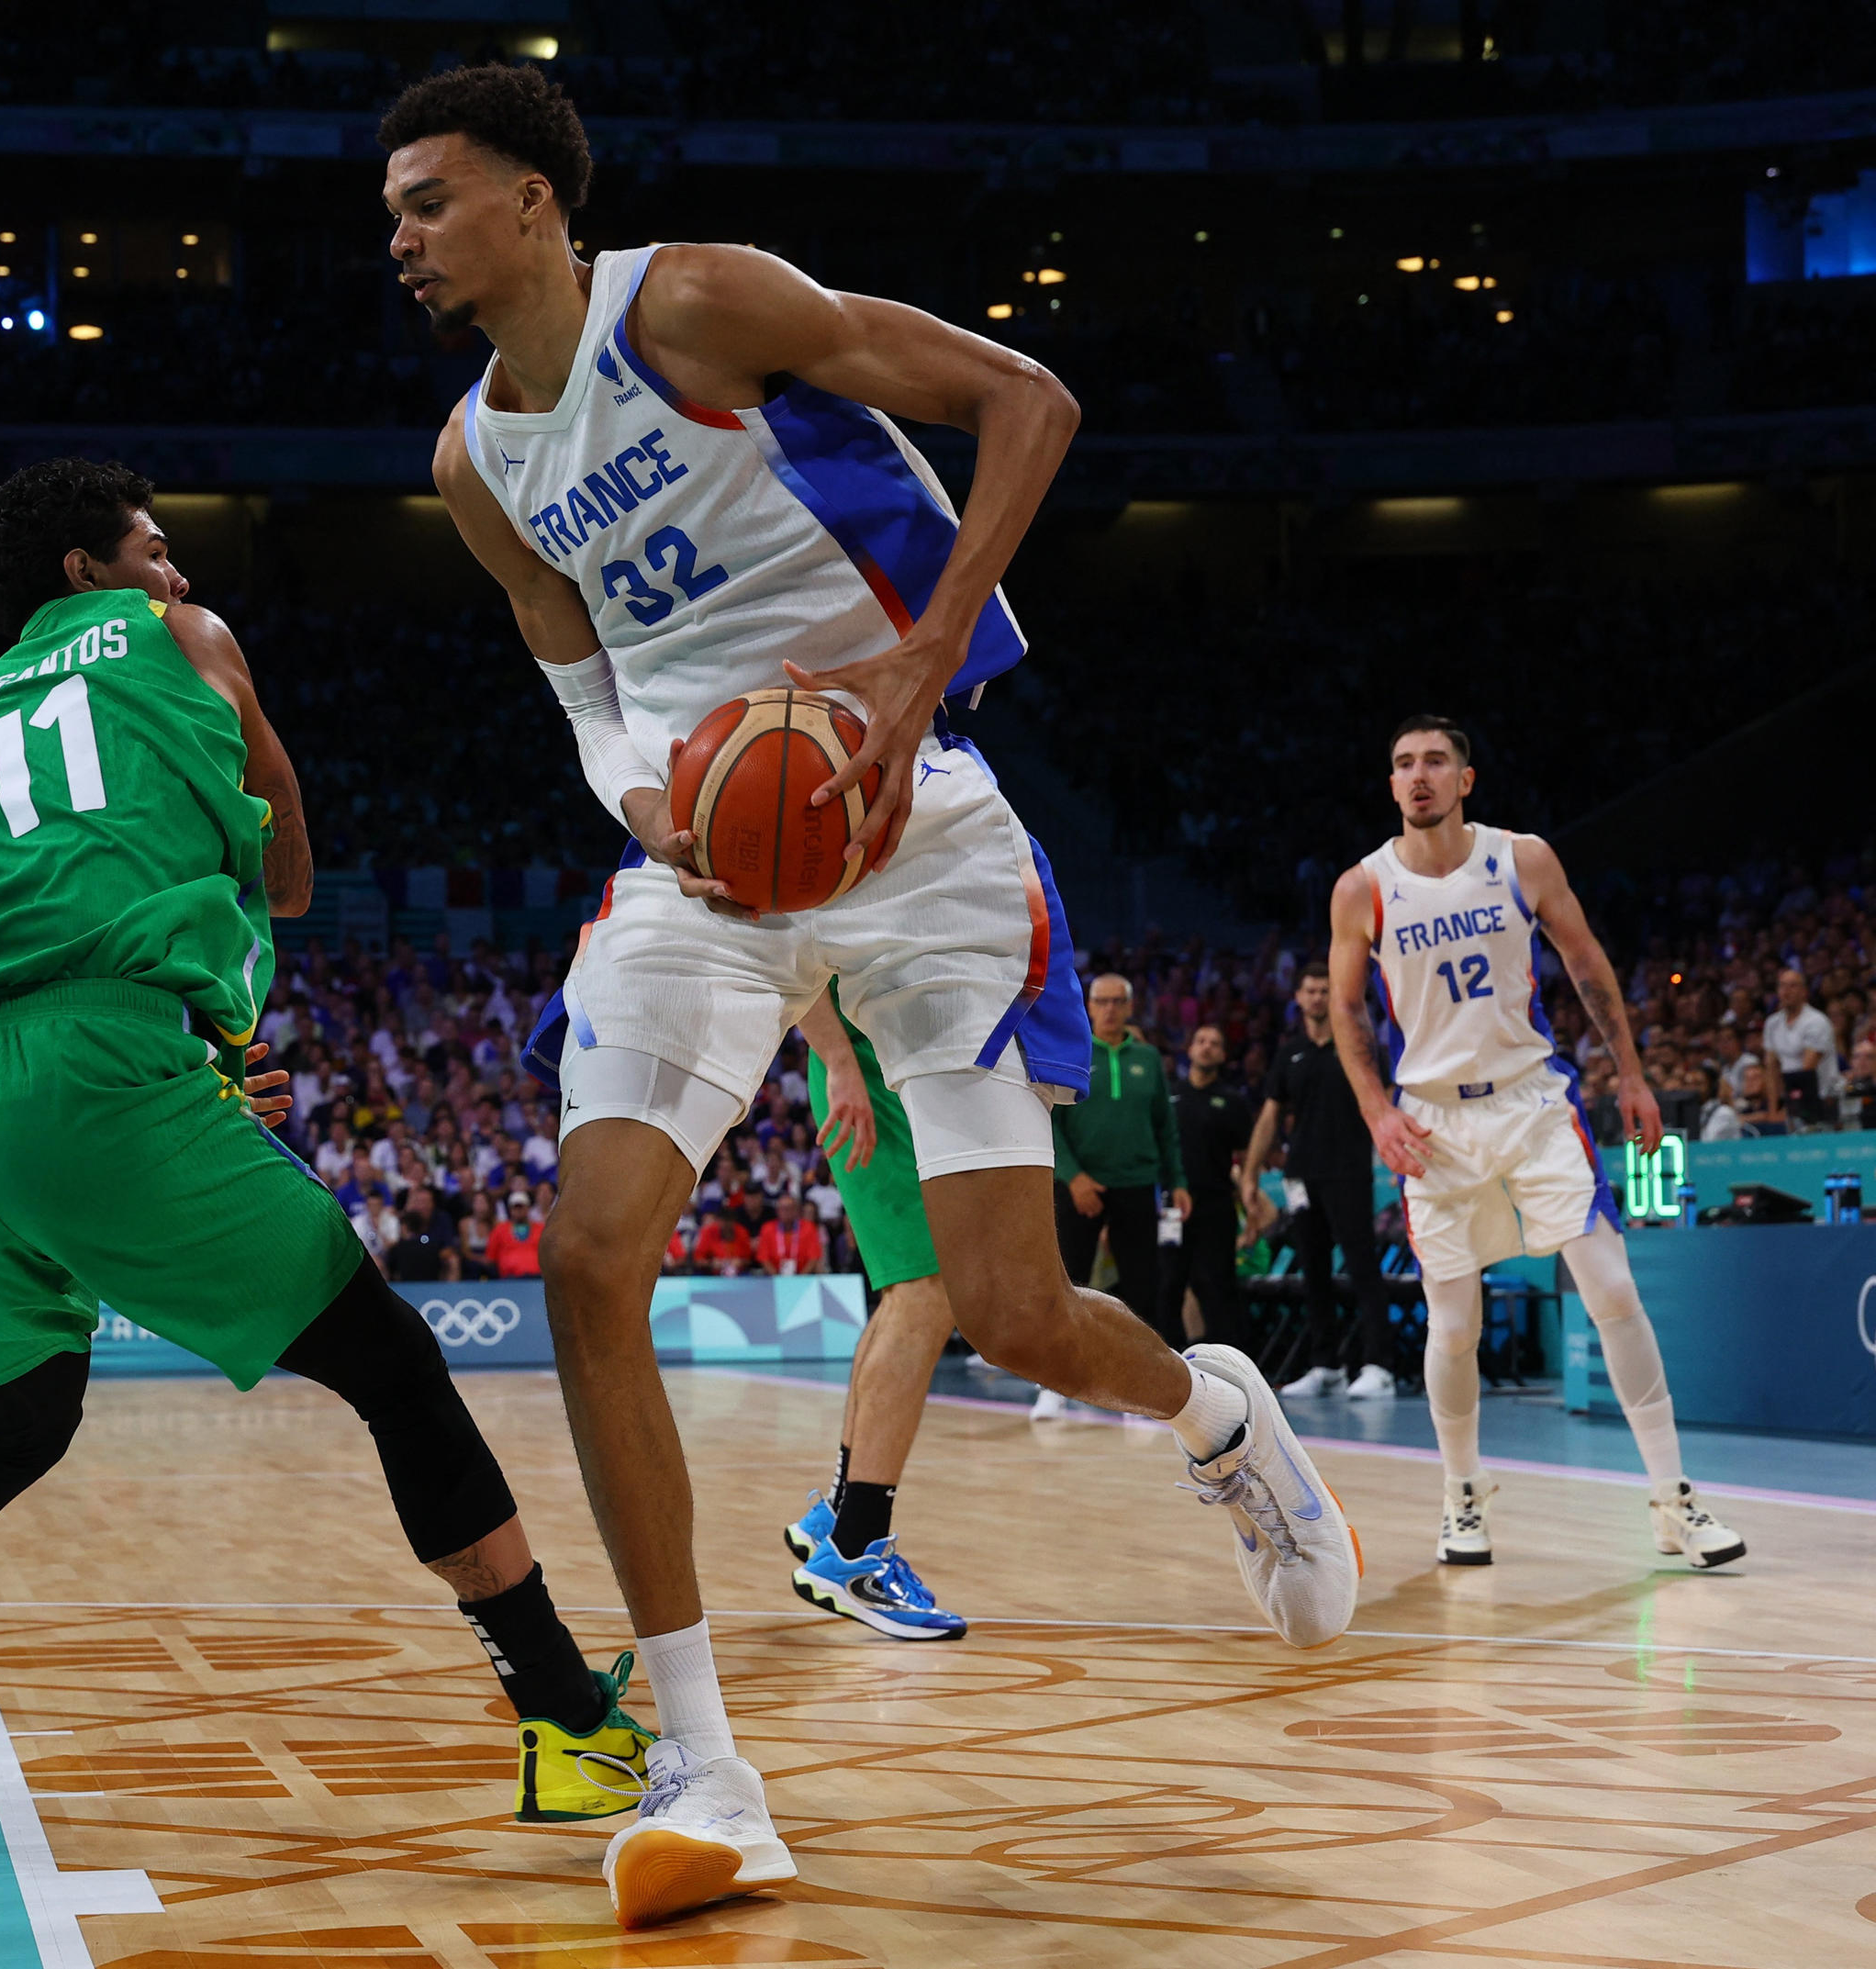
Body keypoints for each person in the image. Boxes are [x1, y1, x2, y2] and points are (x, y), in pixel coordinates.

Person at [390, 62, 1357, 1928]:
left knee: (1007, 1305)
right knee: (588, 1250)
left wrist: (914, 669)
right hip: (712, 867)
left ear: (531, 199)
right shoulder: (468, 460)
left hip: (918, 832)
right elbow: (579, 678)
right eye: (391, 213)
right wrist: (641, 798)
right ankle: (701, 1758)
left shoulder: (686, 302)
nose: (401, 238)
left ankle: (1215, 1418)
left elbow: (1027, 401)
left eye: (428, 199)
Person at [0, 455, 652, 1875]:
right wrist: (199, 973)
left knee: (18, 1425)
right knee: (392, 1367)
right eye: (156, 548)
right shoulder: (180, 640)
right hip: (94, 1065)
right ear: (87, 571)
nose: (181, 575)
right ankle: (563, 1716)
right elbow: (290, 861)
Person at [1329, 715, 1745, 1571]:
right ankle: (1462, 1497)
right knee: (1453, 1326)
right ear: (1391, 782)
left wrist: (1630, 1073)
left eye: (1436, 761)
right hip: (1434, 1122)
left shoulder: (1521, 858)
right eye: (1404, 763)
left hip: (1533, 1101)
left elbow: (1587, 961)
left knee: (1613, 1288)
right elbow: (1344, 1009)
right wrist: (1376, 1109)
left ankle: (1674, 1500)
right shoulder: (1363, 887)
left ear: (1465, 779)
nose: (1419, 776)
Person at [781, 988, 967, 1642]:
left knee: (907, 1294)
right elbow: (792, 936)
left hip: (893, 1061)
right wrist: (837, 1058)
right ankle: (859, 1553)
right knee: (926, 1291)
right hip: (866, 1060)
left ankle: (836, 1517)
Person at [1240, 963, 1396, 1401]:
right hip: (1300, 1177)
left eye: (1325, 990)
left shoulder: (1361, 1047)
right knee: (1314, 1274)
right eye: (1309, 990)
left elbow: (1384, 1103)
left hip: (1348, 1172)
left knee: (1363, 1269)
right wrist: (1250, 1174)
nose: (1316, 998)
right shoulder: (1289, 1052)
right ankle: (1325, 1365)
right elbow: (1271, 1115)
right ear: (1298, 997)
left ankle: (1378, 1365)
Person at [1049, 974, 1191, 1388]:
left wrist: (1176, 1180)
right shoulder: (1071, 1051)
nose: (1109, 1009)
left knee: (1142, 1286)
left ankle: (1137, 1383)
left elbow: (1165, 1127)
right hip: (1081, 1187)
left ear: (1129, 1007)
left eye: (1117, 1002)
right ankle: (1060, 1381)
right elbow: (1051, 1123)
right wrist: (1074, 1179)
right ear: (1089, 1006)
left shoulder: (1148, 1059)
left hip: (1137, 1182)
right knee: (1067, 1283)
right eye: (1102, 1001)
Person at [1163, 1024, 1256, 1359]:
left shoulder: (1233, 1102)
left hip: (1216, 1205)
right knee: (1168, 1284)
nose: (1206, 1047)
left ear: (1223, 1055)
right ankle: (1167, 1361)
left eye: (1214, 1043)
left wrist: (1252, 1205)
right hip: (1170, 1206)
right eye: (1200, 1041)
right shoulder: (1170, 1095)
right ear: (1190, 1049)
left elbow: (1247, 1159)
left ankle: (1231, 1363)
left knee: (1216, 1286)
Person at [1761, 968, 1839, 1129]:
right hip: (1792, 1099)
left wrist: (1789, 1107)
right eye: (1782, 986)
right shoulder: (1772, 1023)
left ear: (1804, 992)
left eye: (1793, 986)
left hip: (1821, 1099)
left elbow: (1805, 1070)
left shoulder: (1816, 1022)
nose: (1786, 991)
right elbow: (1771, 1068)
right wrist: (1773, 1110)